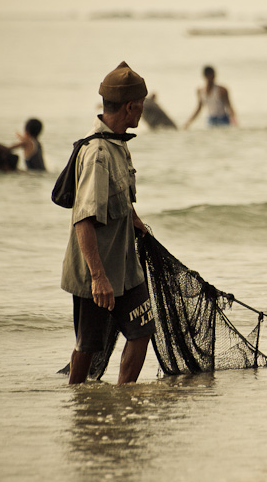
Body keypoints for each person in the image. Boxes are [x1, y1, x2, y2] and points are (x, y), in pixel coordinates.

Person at [61, 61, 155, 385]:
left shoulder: (120, 144)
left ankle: (123, 397)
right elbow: (83, 220)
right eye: (141, 106)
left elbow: (122, 201)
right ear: (130, 107)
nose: (143, 112)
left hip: (126, 267)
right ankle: (78, 400)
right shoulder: (98, 153)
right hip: (95, 270)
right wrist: (98, 277)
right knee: (88, 346)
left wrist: (137, 222)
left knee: (142, 331)